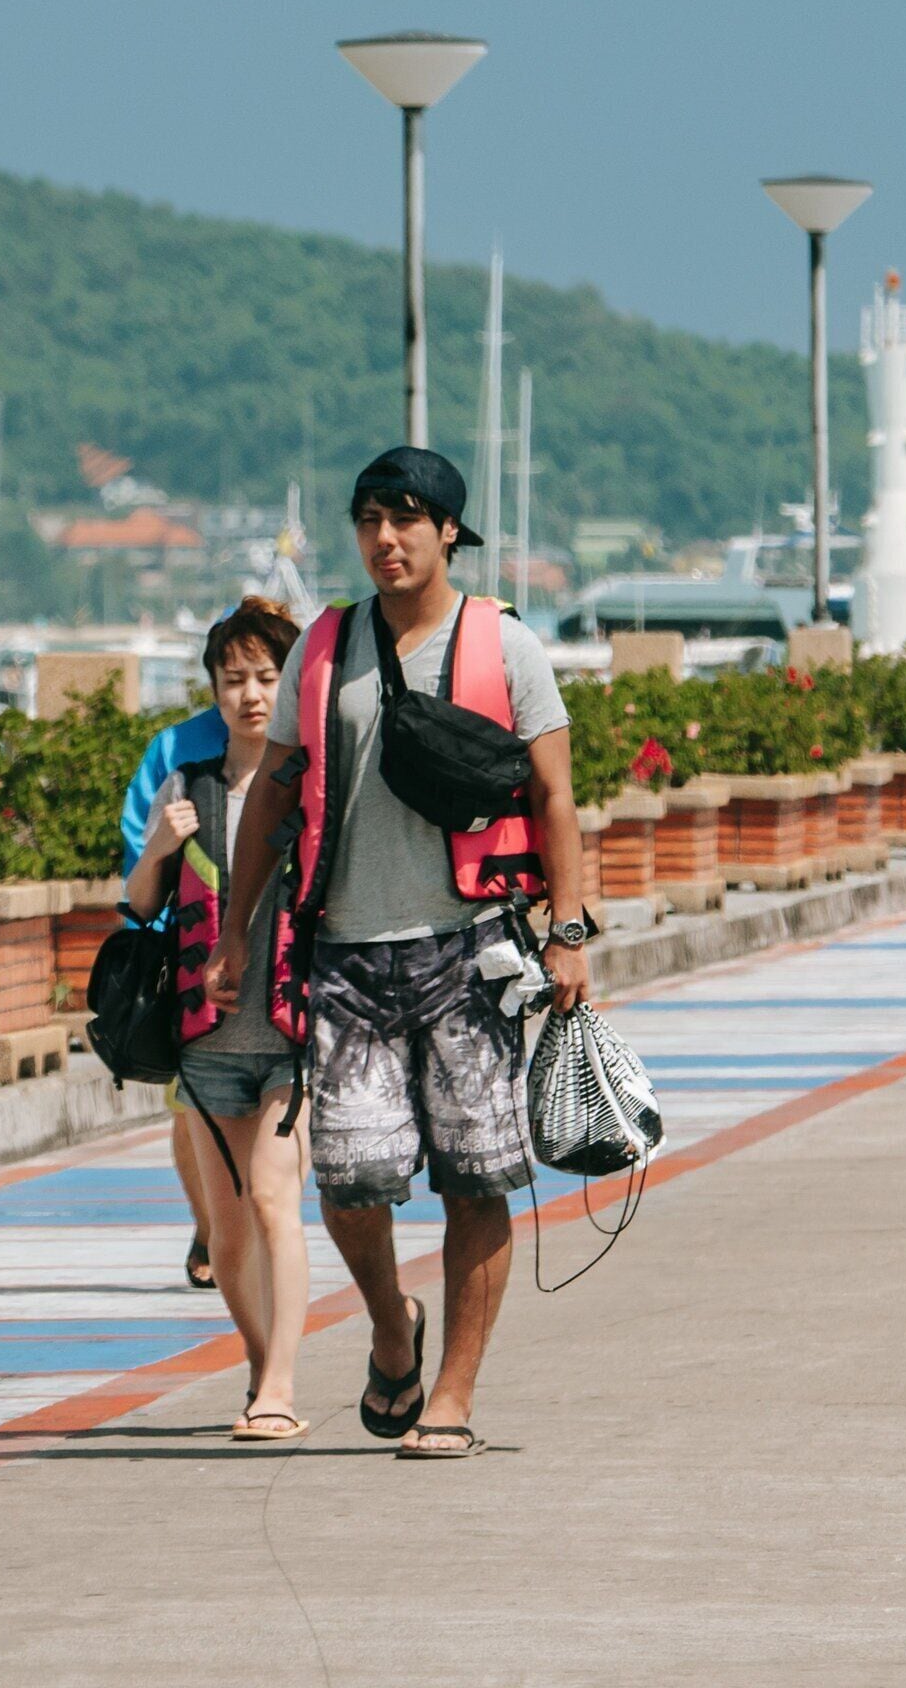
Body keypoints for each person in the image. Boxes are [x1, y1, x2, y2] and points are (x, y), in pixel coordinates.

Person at [209, 449, 594, 1462]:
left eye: (407, 520)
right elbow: (276, 798)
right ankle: (391, 1328)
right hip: (344, 952)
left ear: (450, 531)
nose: (386, 539)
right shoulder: (325, 647)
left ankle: (452, 1396)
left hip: (472, 951)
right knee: (350, 1182)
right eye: (369, 520)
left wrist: (569, 931)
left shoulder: (504, 645)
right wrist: (233, 928)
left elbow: (555, 800)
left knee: (477, 1179)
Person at [117, 597, 310, 1439]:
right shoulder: (185, 786)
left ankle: (281, 1388)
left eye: (268, 677)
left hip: (291, 1035)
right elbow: (139, 903)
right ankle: (260, 1361)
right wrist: (161, 843)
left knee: (274, 1200)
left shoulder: (311, 788)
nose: (252, 695)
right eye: (234, 680)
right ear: (212, 690)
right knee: (228, 1237)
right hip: (203, 1044)